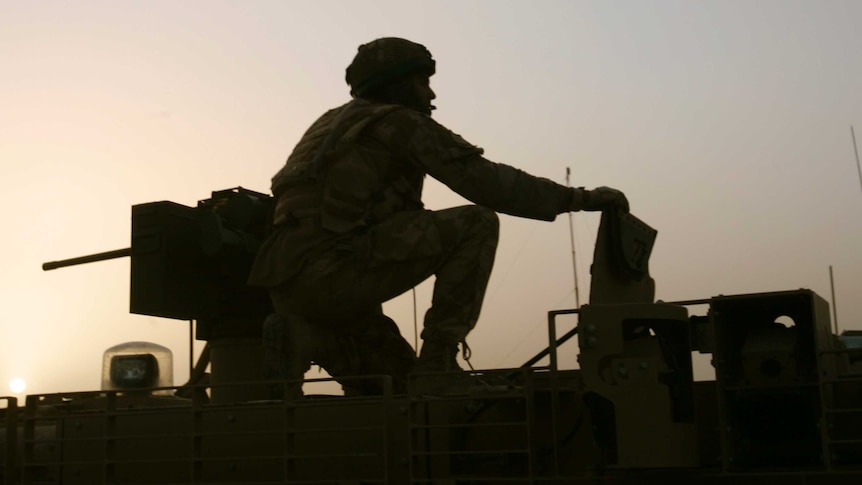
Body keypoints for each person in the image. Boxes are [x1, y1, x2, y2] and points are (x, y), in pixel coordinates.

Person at [248, 37, 628, 394]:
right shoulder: (397, 121)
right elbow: (488, 184)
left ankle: (304, 338)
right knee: (476, 223)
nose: (430, 93)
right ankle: (440, 361)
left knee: (395, 378)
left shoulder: (328, 125)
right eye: (421, 82)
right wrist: (581, 199)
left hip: (289, 286)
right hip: (339, 271)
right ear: (394, 84)